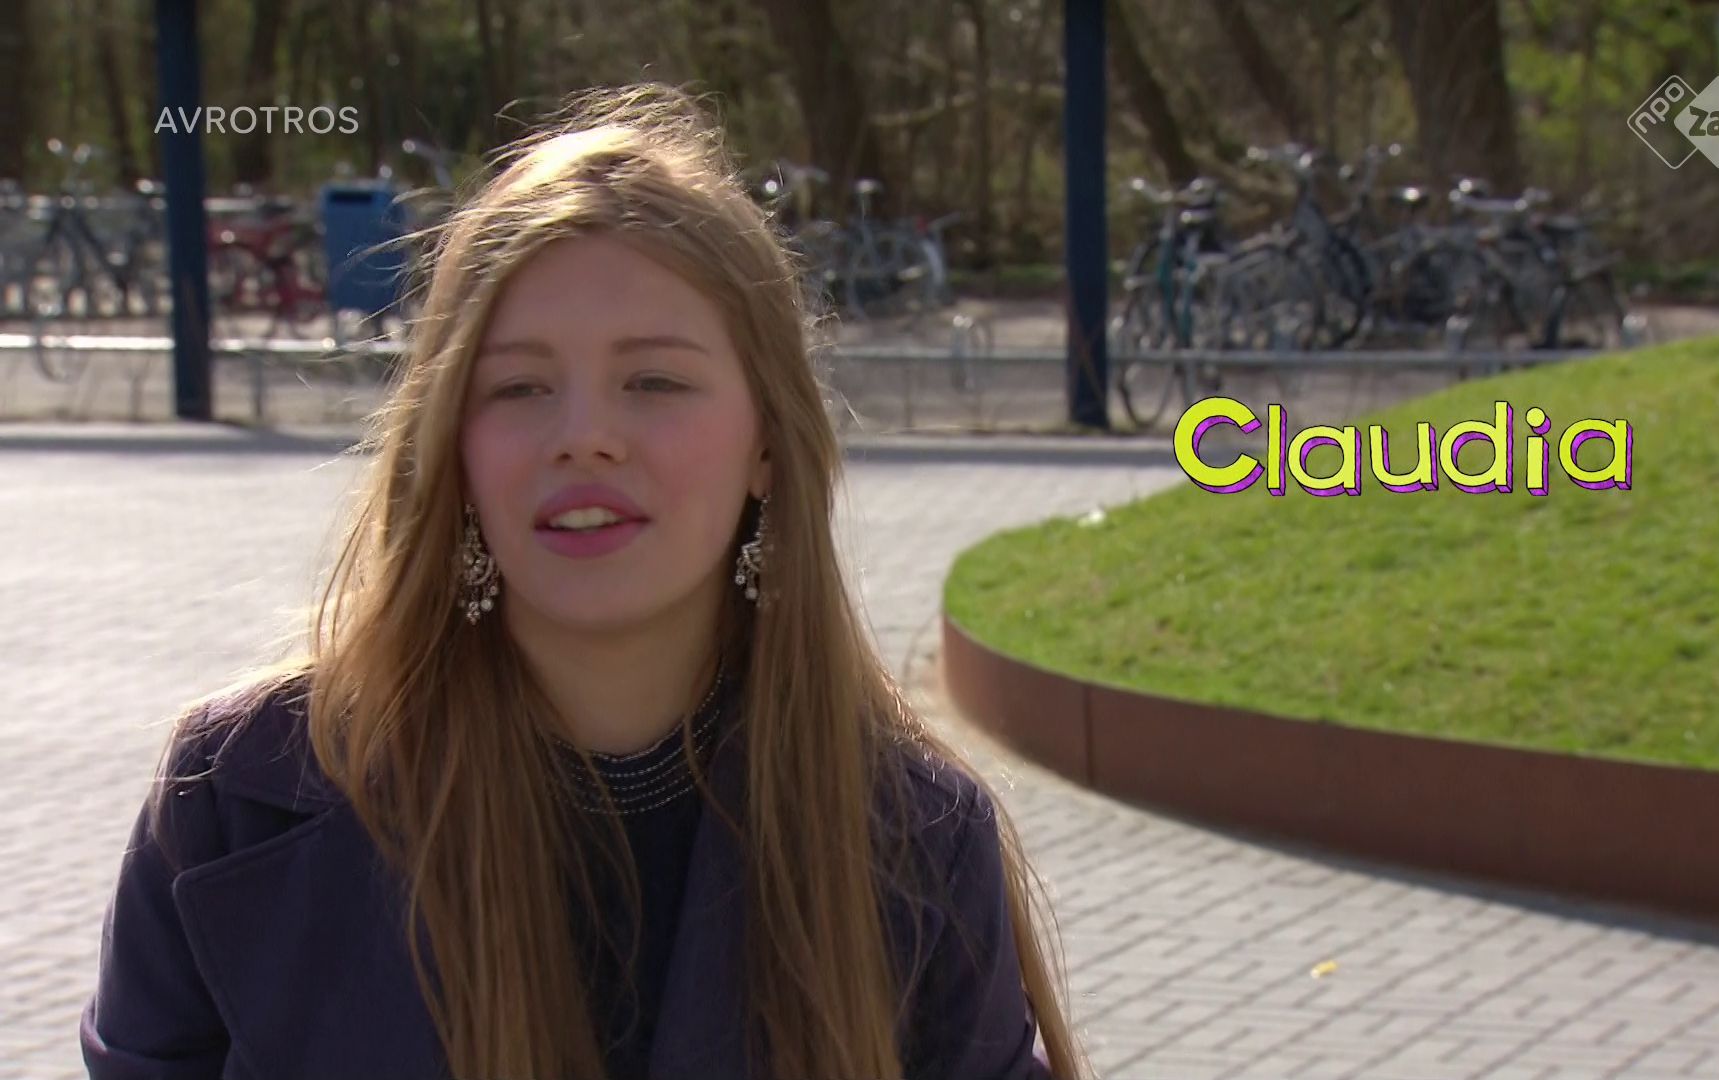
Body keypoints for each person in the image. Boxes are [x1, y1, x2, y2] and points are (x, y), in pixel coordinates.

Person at [79, 84, 1087, 1080]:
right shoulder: (237, 801)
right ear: (452, 444)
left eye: (654, 381)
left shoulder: (913, 840)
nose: (585, 437)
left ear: (767, 446)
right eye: (520, 387)